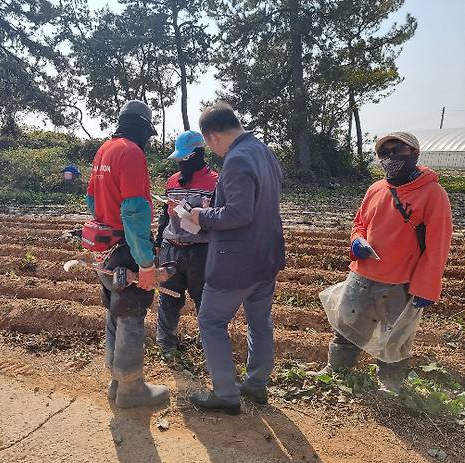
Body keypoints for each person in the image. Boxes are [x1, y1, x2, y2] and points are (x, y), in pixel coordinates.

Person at [315, 132, 453, 393]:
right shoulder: (376, 189)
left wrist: (426, 288)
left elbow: (438, 247)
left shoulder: (433, 194)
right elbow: (360, 223)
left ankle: (390, 383)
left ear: (414, 153)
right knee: (346, 325)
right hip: (362, 275)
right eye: (384, 153)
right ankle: (337, 368)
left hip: (400, 283)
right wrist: (357, 240)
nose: (390, 158)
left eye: (397, 150)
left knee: (396, 336)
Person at [186, 103, 285, 415]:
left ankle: (226, 393)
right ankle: (256, 384)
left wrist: (201, 214)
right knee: (259, 321)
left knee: (211, 321)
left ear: (213, 137)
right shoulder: (264, 152)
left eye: (209, 145)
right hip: (265, 257)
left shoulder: (237, 159)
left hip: (237, 261)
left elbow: (239, 213)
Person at [85, 100, 169, 408]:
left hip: (105, 247)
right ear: (143, 128)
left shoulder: (104, 149)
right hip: (127, 248)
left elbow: (92, 200)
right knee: (132, 311)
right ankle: (132, 388)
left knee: (114, 309)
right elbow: (134, 211)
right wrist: (146, 262)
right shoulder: (131, 153)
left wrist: (108, 219)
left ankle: (115, 382)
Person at [154, 131, 218, 357]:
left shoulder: (215, 182)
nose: (181, 163)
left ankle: (209, 348)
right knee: (168, 298)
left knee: (205, 302)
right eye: (179, 159)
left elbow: (220, 218)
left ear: (198, 154)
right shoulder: (172, 181)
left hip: (201, 251)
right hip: (172, 248)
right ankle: (165, 346)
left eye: (185, 158)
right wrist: (159, 241)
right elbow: (164, 215)